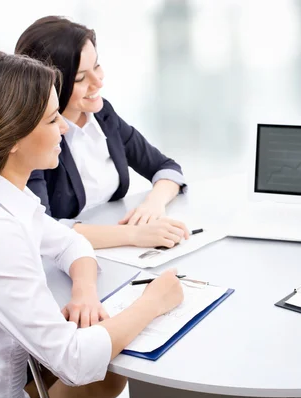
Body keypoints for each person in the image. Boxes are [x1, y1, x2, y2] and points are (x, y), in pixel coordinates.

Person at [0, 50, 184, 398]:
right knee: (103, 371)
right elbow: (74, 360)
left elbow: (70, 242)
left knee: (109, 377)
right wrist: (154, 301)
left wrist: (83, 292)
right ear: (10, 137)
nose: (65, 127)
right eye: (52, 118)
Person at [15, 16, 189, 250]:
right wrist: (131, 235)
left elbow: (166, 168)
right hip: (67, 258)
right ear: (48, 86)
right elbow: (45, 229)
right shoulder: (36, 139)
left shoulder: (103, 116)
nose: (98, 82)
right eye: (80, 78)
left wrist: (154, 204)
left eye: (96, 66)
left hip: (118, 252)